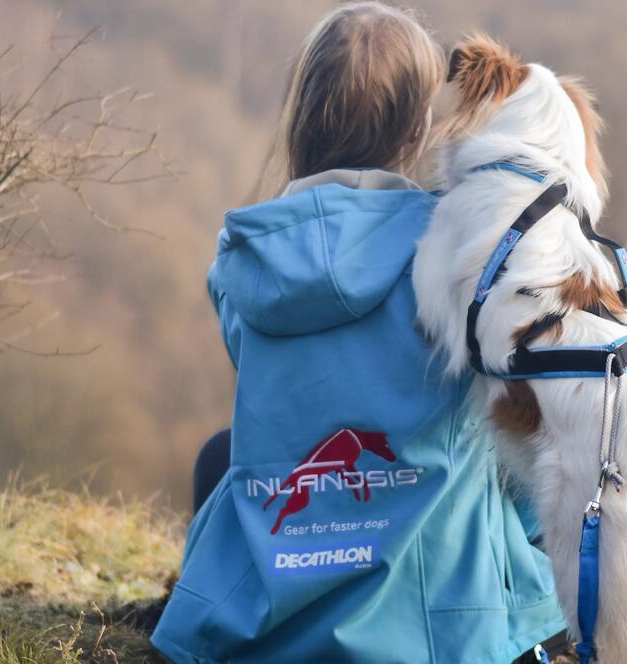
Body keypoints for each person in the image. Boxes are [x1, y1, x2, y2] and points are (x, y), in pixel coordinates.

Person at [151, 4, 567, 662]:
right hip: (437, 626)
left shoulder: (241, 263)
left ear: (302, 118)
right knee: (523, 459)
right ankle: (539, 623)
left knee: (222, 455)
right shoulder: (457, 255)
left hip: (275, 607)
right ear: (417, 130)